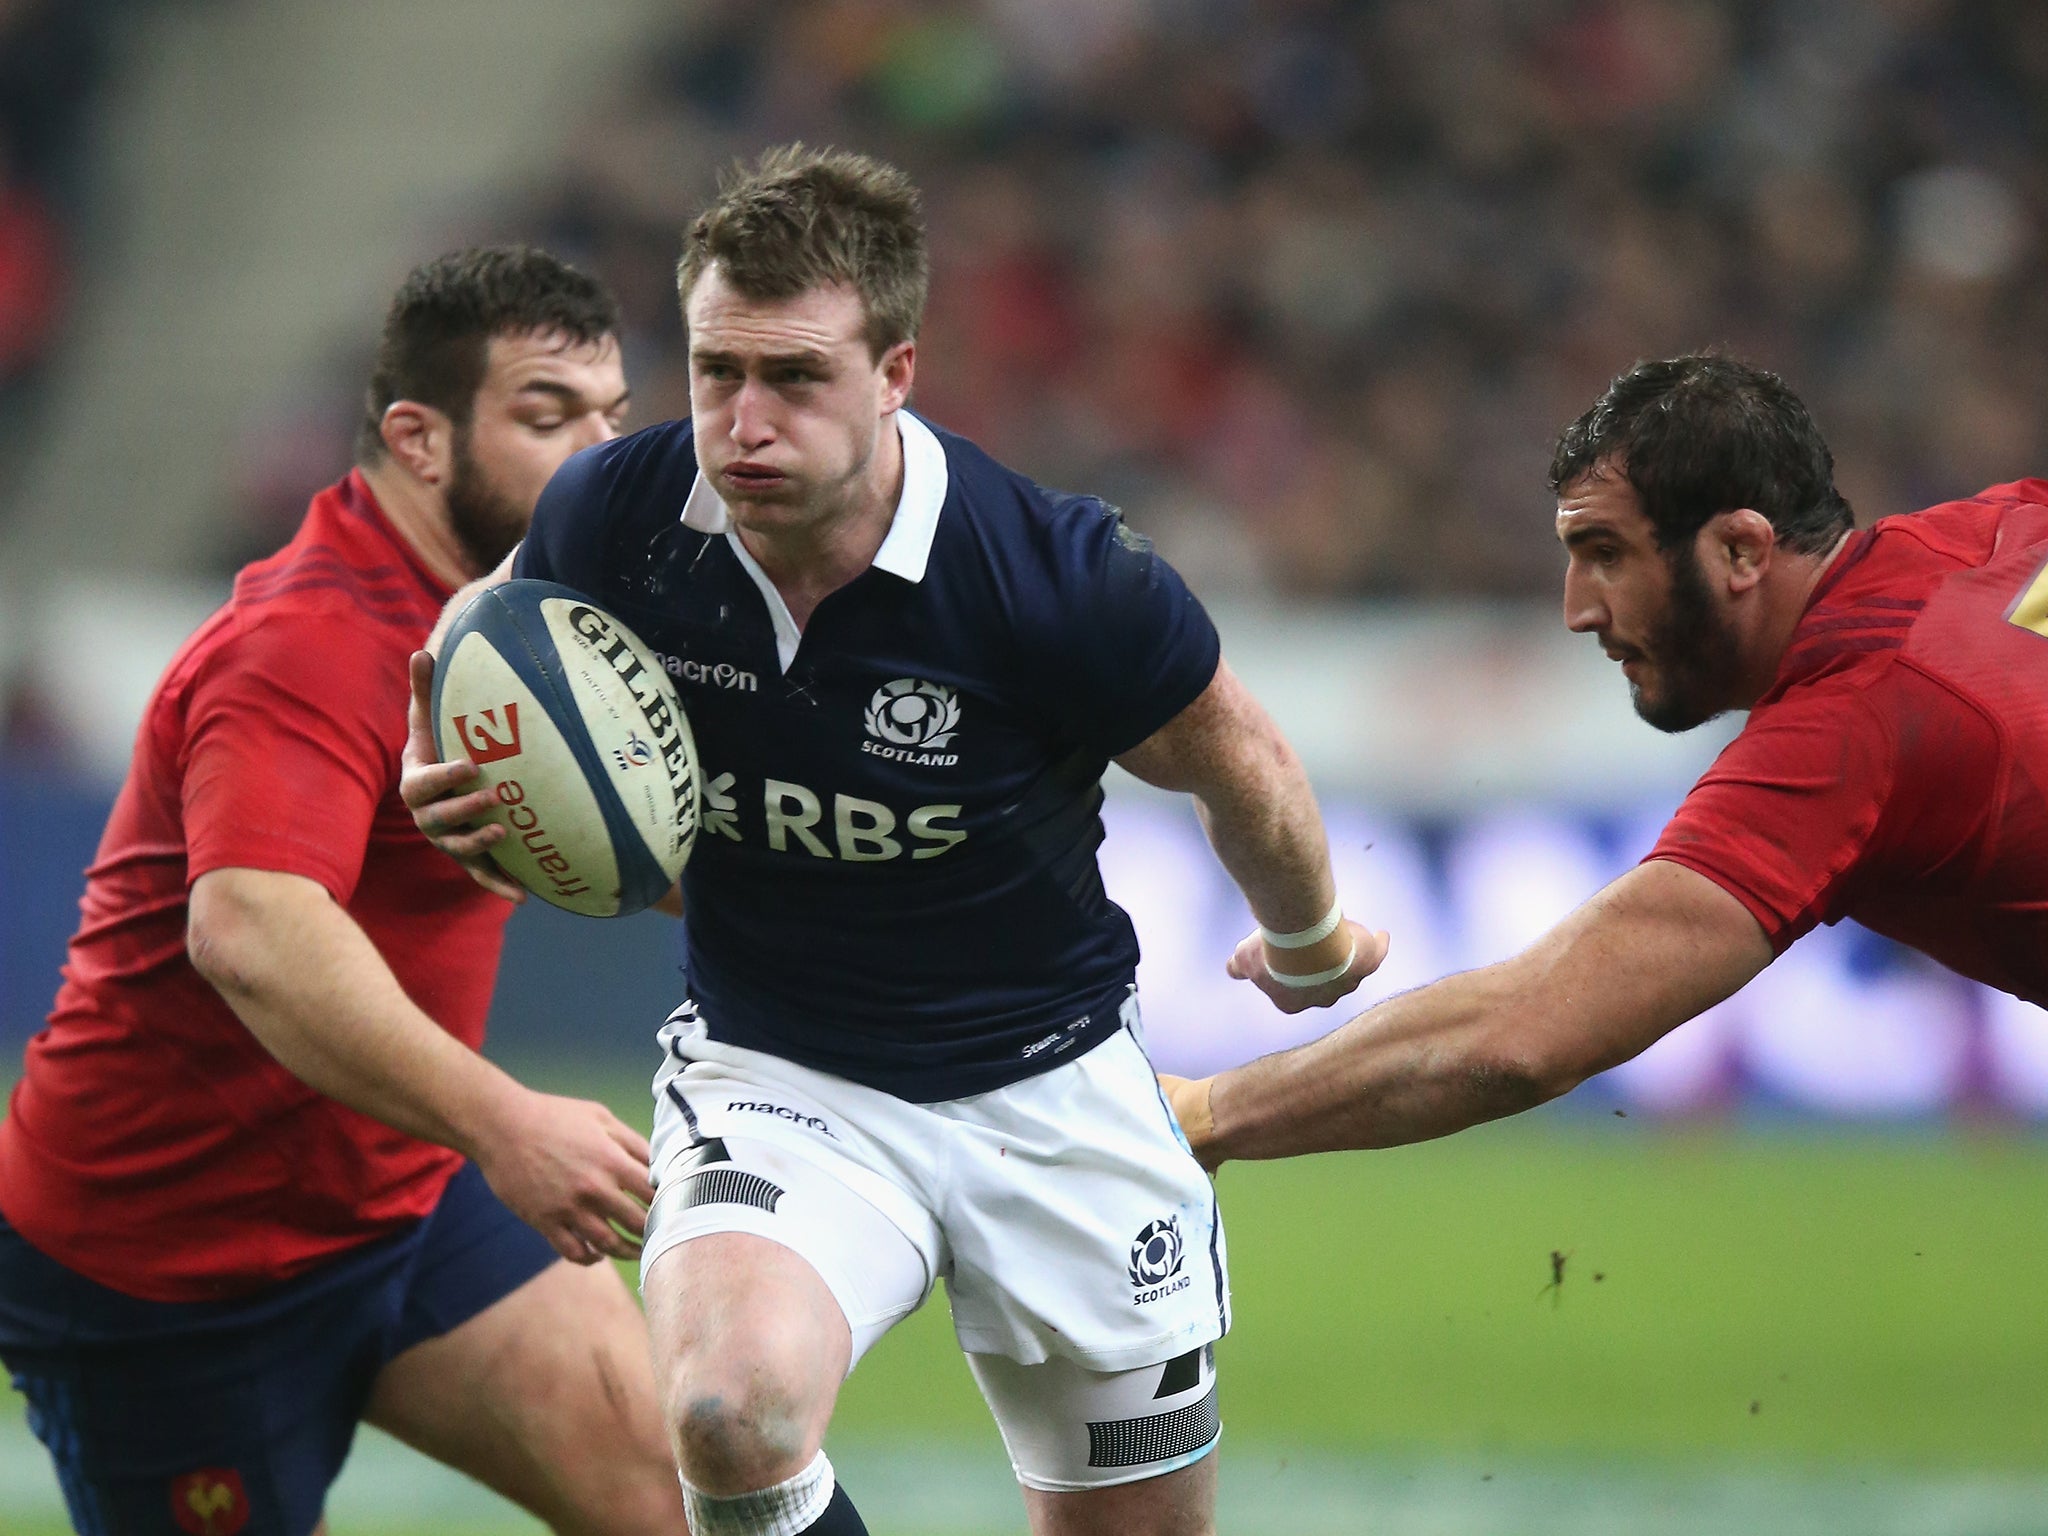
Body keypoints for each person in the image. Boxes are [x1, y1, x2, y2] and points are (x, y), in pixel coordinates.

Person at [402, 145, 1385, 1536]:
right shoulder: (617, 517)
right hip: (781, 1072)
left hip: (1051, 1090)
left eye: (795, 377)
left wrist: (1309, 940)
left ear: (897, 373)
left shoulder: (1051, 574)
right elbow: (477, 635)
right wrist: (433, 753)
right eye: (714, 371)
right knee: (726, 1413)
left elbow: (1242, 759)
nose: (743, 421)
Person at [0, 247, 687, 1536]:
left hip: (404, 1197)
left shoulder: (536, 611)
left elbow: (655, 861)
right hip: (169, 1263)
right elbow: (252, 930)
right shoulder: (310, 639)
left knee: (685, 1491)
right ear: (419, 440)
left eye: (611, 416)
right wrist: (505, 1125)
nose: (598, 457)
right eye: (548, 419)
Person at [1159, 354, 2048, 1165]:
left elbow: (1525, 1035)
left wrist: (1201, 1111)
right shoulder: (2002, 524)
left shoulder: (1852, 725)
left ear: (1741, 549)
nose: (1578, 609)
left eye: (1607, 556)